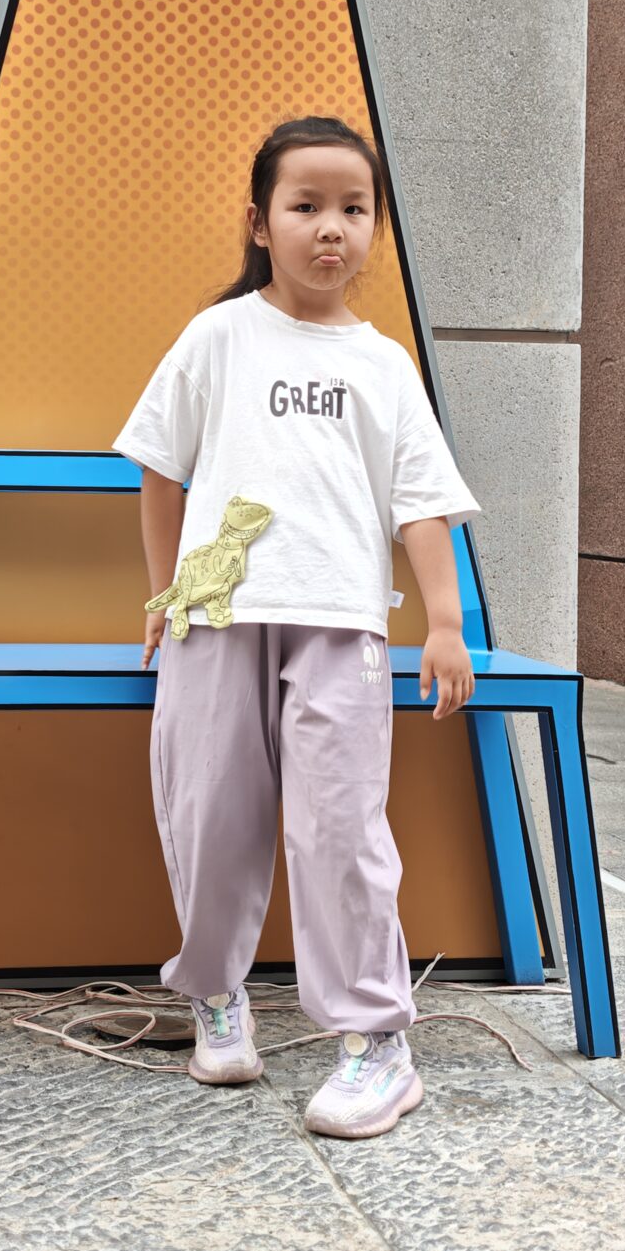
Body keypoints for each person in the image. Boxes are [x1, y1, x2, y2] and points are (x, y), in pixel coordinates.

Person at [111, 114, 482, 1140]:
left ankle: (377, 1041)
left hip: (341, 627)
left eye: (354, 209)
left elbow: (421, 503)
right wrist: (163, 593)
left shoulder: (384, 365)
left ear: (374, 229)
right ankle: (216, 996)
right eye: (306, 205)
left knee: (340, 829)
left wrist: (443, 623)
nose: (331, 227)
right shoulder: (218, 337)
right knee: (208, 812)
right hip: (216, 620)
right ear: (259, 222)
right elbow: (159, 466)